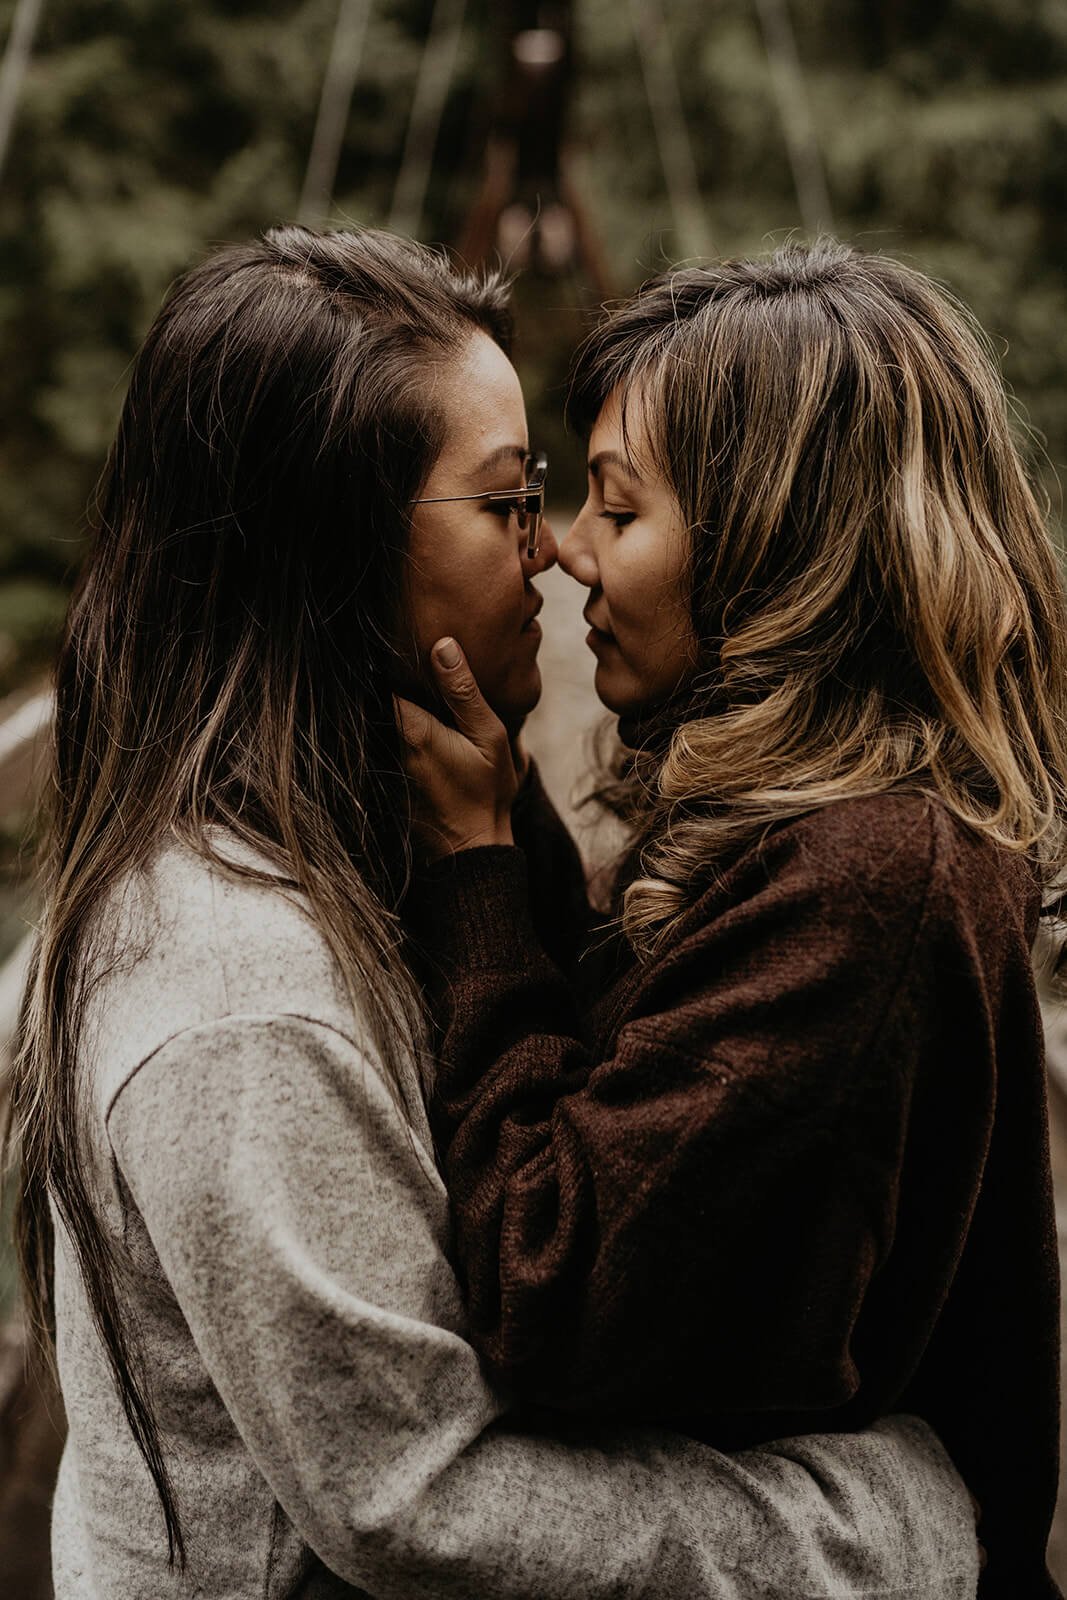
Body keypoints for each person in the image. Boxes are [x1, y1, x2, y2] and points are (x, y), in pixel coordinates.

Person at [3, 226, 981, 1598]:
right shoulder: (240, 1004)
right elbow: (417, 1496)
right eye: (513, 501)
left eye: (587, 507)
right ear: (335, 554)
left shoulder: (368, 845)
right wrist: (868, 1529)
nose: (555, 558)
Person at [398, 239, 1067, 1598]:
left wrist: (472, 872)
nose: (571, 552)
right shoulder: (831, 833)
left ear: (776, 546)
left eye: (618, 509)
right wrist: (513, 804)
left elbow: (555, 1287)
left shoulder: (862, 882)